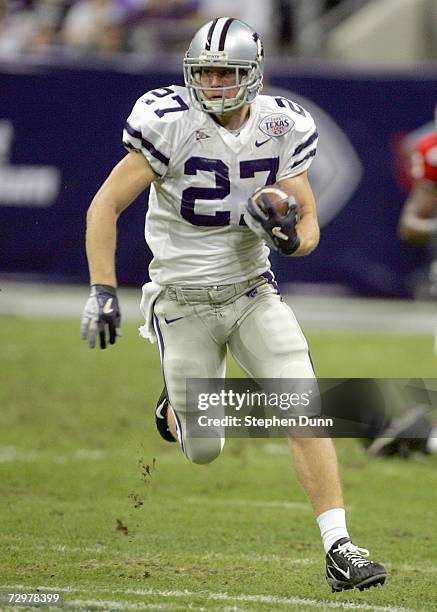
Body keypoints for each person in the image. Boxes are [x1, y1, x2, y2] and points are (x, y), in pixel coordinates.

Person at [81, 17, 387, 592]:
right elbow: (104, 207)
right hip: (181, 300)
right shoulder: (167, 122)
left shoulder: (282, 124)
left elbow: (309, 225)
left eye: (227, 72)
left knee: (303, 405)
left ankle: (339, 547)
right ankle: (174, 406)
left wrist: (290, 238)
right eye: (207, 71)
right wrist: (101, 290)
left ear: (254, 74)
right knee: (204, 449)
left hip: (251, 289)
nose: (216, 83)